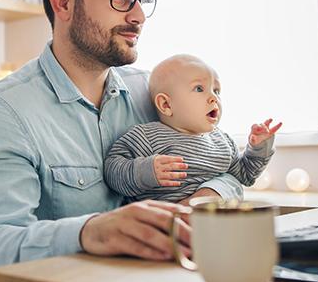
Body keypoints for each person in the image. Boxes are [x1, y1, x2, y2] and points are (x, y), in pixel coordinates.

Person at [0, 0, 243, 282]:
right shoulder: (1, 114)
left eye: (141, 0)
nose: (138, 16)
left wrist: (207, 197)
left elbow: (230, 169)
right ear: (63, 2)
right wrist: (89, 232)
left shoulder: (155, 93)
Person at [103, 54, 281, 203]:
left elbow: (245, 176)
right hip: (161, 227)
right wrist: (145, 171)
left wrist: (259, 147)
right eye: (199, 88)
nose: (213, 98)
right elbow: (112, 169)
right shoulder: (147, 136)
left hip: (211, 225)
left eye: (216, 90)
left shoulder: (223, 142)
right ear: (166, 104)